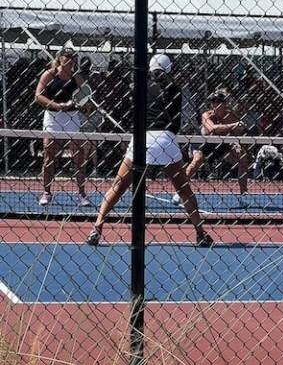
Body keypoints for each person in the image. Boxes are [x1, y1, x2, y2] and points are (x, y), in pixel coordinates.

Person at [86, 53, 212, 247]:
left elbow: (134, 112)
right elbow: (175, 122)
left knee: (118, 186)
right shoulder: (174, 88)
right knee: (184, 189)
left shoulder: (137, 87)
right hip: (165, 138)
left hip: (141, 138)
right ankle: (200, 232)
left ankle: (97, 227)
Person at [34, 47, 90, 206]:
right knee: (49, 155)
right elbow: (38, 95)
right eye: (68, 56)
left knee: (78, 156)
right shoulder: (49, 74)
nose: (71, 59)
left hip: (72, 117)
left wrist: (82, 104)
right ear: (60, 58)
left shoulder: (76, 77)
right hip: (52, 117)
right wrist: (56, 105)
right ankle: (47, 192)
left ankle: (81, 193)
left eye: (74, 57)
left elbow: (85, 95)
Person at [176, 88, 247, 200]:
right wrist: (234, 125)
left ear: (224, 103)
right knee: (197, 160)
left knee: (242, 157)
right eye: (213, 101)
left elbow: (237, 132)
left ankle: (244, 194)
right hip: (203, 143)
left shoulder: (230, 116)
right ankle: (179, 192)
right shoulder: (207, 115)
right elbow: (212, 129)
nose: (214, 104)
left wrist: (236, 142)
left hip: (221, 144)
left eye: (218, 101)